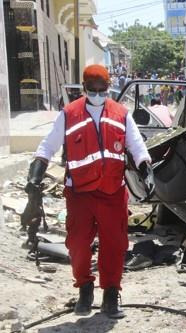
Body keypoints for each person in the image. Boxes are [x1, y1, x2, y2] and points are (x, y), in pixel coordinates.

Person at [23, 64, 155, 318]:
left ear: (109, 87)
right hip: (80, 193)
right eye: (92, 90)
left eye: (102, 89)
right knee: (78, 244)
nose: (97, 94)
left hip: (112, 192)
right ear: (84, 88)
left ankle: (110, 295)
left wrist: (146, 168)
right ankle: (85, 288)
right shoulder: (69, 114)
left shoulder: (121, 114)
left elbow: (136, 145)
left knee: (115, 245)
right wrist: (36, 173)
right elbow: (46, 146)